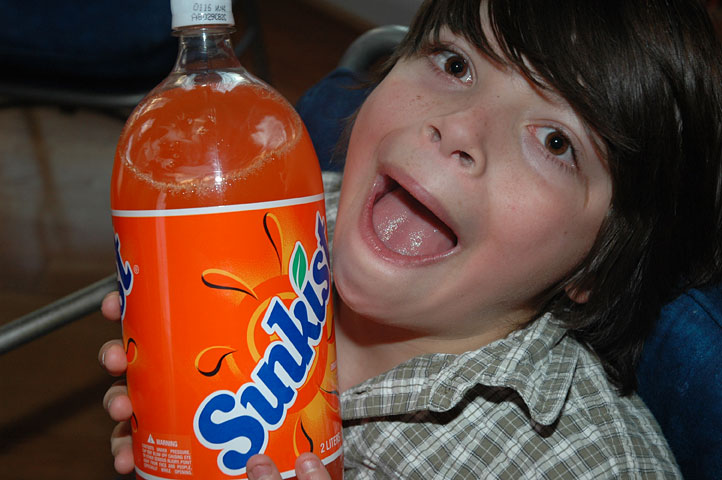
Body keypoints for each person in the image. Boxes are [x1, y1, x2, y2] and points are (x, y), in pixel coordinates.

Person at [99, 0, 722, 478]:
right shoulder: (273, 212)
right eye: (456, 64)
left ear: (597, 269)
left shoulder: (588, 466)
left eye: (556, 141)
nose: (461, 127)